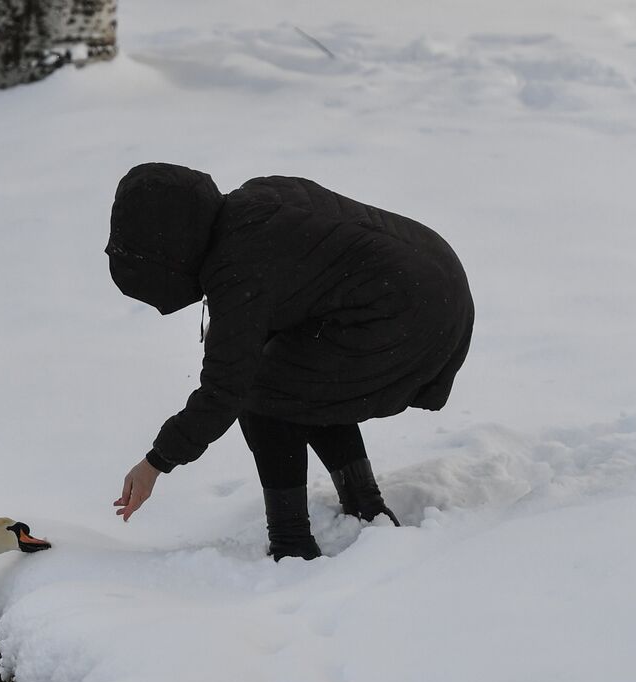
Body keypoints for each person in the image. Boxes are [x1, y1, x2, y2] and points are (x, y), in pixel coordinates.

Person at [107, 163, 473, 560]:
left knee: (262, 391)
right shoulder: (255, 200)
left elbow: (225, 390)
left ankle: (292, 542)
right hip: (436, 282)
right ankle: (364, 504)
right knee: (301, 373)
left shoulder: (238, 268)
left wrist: (155, 463)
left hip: (409, 315)